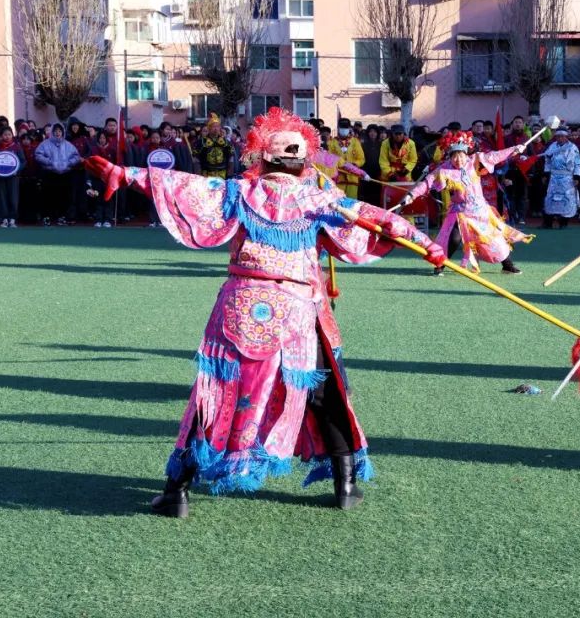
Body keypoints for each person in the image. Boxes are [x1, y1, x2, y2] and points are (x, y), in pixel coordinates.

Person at [83, 107, 445, 517]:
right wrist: (425, 242)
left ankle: (177, 490)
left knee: (216, 392)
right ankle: (345, 485)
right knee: (322, 391)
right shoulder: (320, 199)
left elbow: (187, 187)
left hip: (241, 303)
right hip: (297, 309)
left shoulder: (240, 192)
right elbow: (374, 221)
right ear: (304, 159)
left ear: (262, 158)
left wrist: (127, 174)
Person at [400, 132, 529, 276]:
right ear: (449, 155)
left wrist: (514, 150)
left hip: (480, 211)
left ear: (466, 153)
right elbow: (427, 183)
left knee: (494, 237)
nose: (458, 159)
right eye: (454, 155)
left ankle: (507, 265)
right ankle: (440, 264)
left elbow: (495, 156)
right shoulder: (444, 170)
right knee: (454, 238)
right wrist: (411, 195)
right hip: (460, 213)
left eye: (461, 155)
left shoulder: (476, 161)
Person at [34, 122, 81, 225]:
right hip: (50, 174)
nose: (57, 133)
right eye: (55, 131)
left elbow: (76, 156)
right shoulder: (45, 144)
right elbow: (38, 155)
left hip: (65, 174)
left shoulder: (68, 145)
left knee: (64, 196)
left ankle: (62, 216)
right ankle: (47, 217)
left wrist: (69, 163)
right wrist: (49, 162)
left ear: (63, 132)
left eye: (59, 131)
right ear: (52, 132)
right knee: (48, 196)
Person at [541, 128, 580, 228]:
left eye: (562, 136)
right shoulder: (552, 146)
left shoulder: (573, 147)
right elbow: (547, 161)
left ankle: (563, 222)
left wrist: (576, 176)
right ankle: (548, 222)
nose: (560, 138)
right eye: (558, 136)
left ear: (566, 136)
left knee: (566, 199)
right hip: (554, 177)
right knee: (551, 198)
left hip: (567, 178)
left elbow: (578, 163)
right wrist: (546, 174)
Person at [0, 126, 24, 228]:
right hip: (0, 177)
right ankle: (4, 219)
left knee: (13, 198)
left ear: (12, 135)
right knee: (2, 197)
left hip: (13, 177)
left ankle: (13, 219)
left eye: (9, 134)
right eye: (5, 134)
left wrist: (17, 170)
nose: (7, 137)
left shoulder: (17, 147)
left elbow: (23, 161)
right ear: (1, 136)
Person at [328, 117, 365, 199]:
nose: (344, 129)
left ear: (349, 128)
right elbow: (329, 159)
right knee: (338, 201)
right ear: (338, 128)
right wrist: (339, 165)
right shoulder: (332, 142)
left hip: (352, 176)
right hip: (338, 178)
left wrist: (354, 164)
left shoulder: (355, 141)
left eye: (346, 127)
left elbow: (361, 159)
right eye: (342, 127)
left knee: (352, 202)